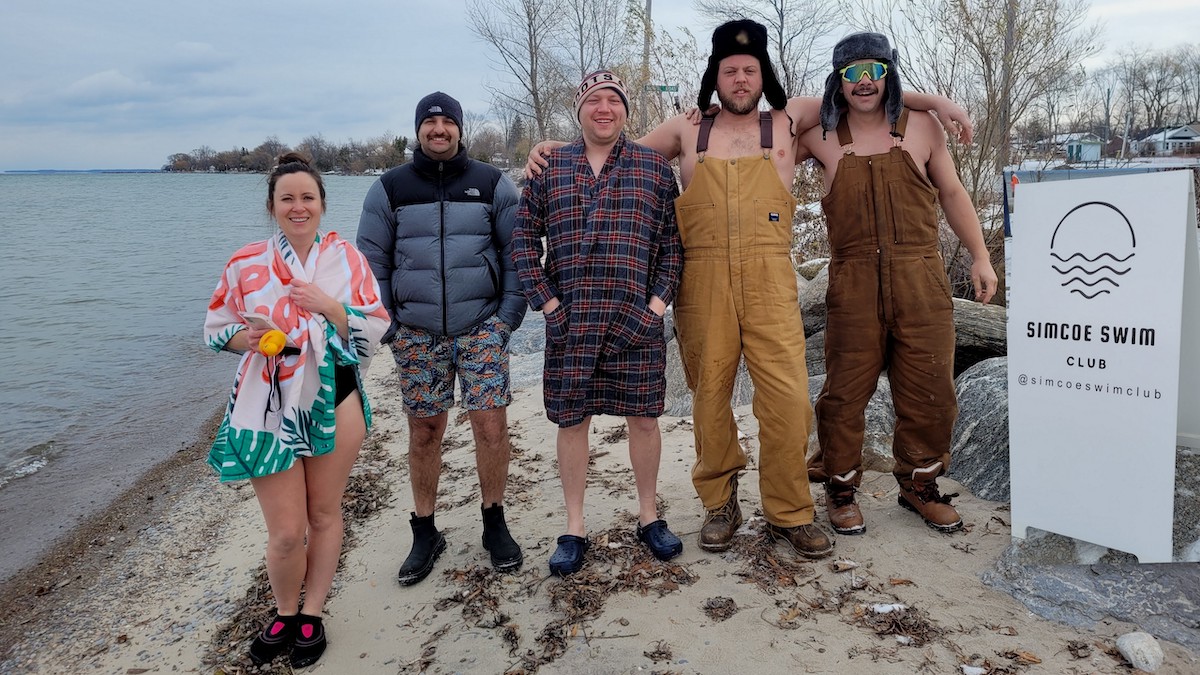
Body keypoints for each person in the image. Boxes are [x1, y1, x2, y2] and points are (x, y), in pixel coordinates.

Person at [526, 22, 970, 561]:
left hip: (771, 280)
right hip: (703, 283)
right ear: (715, 77)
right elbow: (611, 154)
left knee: (786, 399)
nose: (739, 78)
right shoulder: (685, 131)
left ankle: (789, 513)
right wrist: (553, 151)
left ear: (764, 76)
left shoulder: (789, 121)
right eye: (729, 70)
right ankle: (721, 504)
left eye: (750, 70)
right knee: (710, 398)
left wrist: (940, 101)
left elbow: (856, 94)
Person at [798, 33, 998, 535]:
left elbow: (951, 191)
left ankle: (920, 485)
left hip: (920, 280)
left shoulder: (923, 129)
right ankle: (840, 489)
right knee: (842, 394)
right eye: (850, 73)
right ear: (836, 81)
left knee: (931, 390)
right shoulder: (819, 135)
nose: (864, 82)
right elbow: (779, 111)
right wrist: (934, 95)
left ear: (891, 72)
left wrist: (980, 256)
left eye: (875, 70)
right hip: (852, 284)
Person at [204, 152, 390, 668]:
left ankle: (312, 612)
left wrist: (327, 307)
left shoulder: (347, 259)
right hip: (267, 405)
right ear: (272, 206)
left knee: (324, 513)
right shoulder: (245, 263)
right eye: (287, 198)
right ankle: (284, 612)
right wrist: (254, 339)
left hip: (337, 396)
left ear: (322, 205)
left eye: (307, 197)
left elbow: (377, 325)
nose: (298, 206)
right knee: (286, 531)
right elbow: (216, 328)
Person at [512, 70, 684, 576]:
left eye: (613, 100)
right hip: (572, 320)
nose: (604, 108)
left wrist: (655, 307)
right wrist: (547, 306)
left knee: (645, 420)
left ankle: (649, 516)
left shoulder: (654, 168)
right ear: (579, 109)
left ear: (626, 111)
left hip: (635, 320)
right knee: (572, 421)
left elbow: (671, 248)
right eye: (594, 100)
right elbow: (524, 242)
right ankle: (574, 526)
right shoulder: (549, 167)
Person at [357, 92, 527, 586]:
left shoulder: (491, 183)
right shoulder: (389, 188)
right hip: (417, 334)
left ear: (459, 129)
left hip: (482, 329)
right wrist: (388, 325)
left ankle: (494, 522)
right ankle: (425, 530)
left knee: (491, 429)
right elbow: (371, 261)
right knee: (425, 432)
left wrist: (506, 319)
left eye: (446, 121)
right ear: (418, 130)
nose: (438, 129)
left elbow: (516, 251)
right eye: (429, 122)